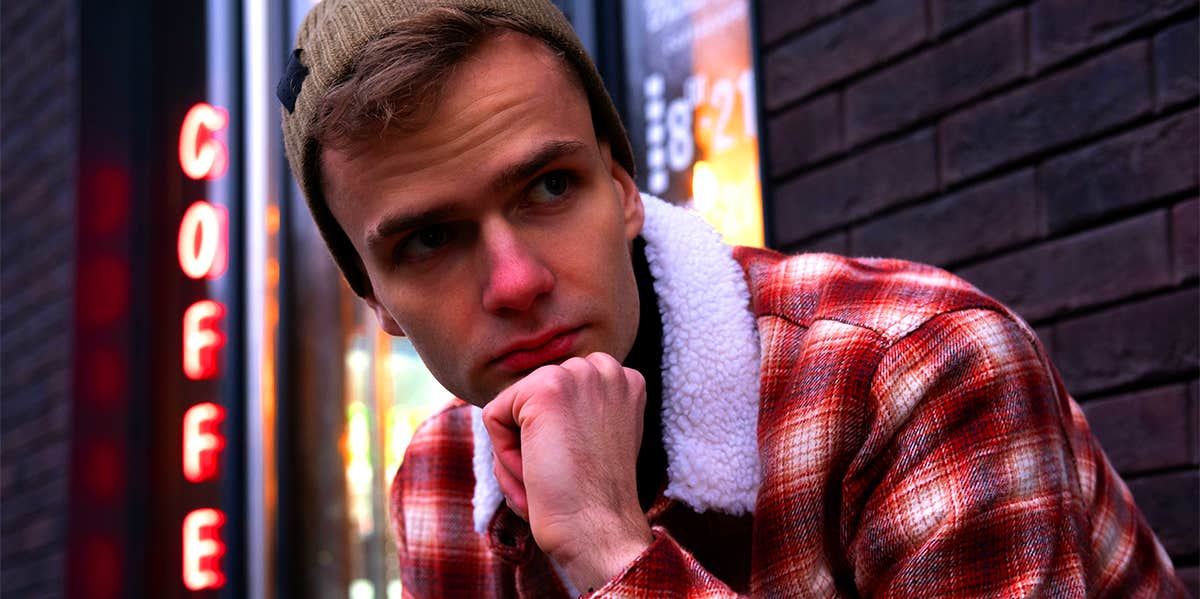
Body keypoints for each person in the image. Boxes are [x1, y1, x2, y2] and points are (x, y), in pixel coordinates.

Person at [277, 0, 1188, 596]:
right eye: (428, 240)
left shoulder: (914, 368)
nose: (516, 281)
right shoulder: (438, 480)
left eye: (550, 187)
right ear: (375, 300)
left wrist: (609, 550)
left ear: (625, 188)